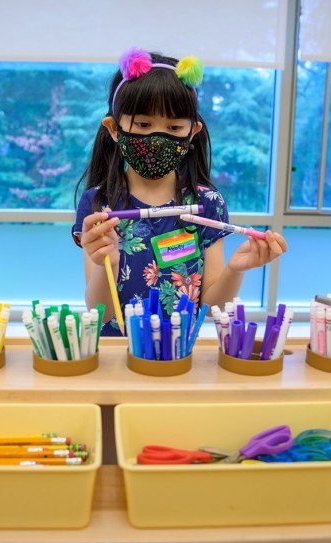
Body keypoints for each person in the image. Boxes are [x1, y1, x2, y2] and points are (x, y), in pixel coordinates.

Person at [72, 47, 287, 336]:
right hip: (116, 359)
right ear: (113, 128)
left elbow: (212, 306)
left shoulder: (206, 203)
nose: (157, 139)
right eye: (144, 124)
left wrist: (236, 269)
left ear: (192, 132)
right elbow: (99, 312)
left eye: (174, 127)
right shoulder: (98, 204)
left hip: (180, 354)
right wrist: (105, 264)